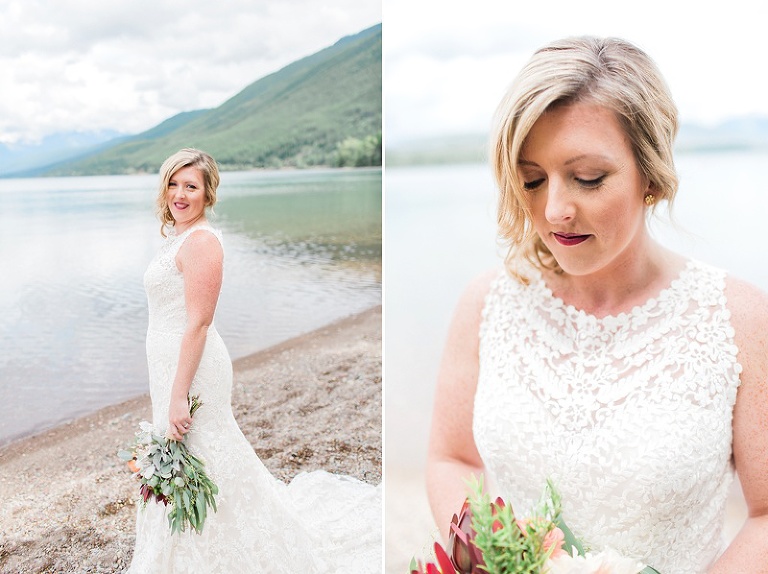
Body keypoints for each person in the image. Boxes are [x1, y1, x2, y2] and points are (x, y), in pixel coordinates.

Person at [425, 37, 768, 573]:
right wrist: (491, 560)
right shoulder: (486, 304)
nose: (554, 209)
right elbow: (453, 458)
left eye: (587, 178)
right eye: (532, 180)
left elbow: (766, 513)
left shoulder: (740, 320)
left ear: (649, 175)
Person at [126, 148, 381, 573]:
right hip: (170, 364)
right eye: (173, 184)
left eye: (191, 186)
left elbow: (200, 324)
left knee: (204, 449)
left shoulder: (203, 242)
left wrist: (177, 395)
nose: (180, 194)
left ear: (208, 194)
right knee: (188, 454)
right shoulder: (181, 238)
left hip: (192, 369)